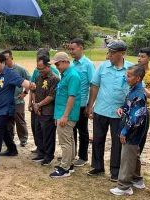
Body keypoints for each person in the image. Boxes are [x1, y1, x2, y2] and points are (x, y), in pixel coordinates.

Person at [86, 40, 134, 181]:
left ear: (122, 53)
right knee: (98, 139)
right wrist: (90, 106)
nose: (109, 56)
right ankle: (97, 166)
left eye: (112, 53)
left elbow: (136, 90)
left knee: (117, 142)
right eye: (109, 52)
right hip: (101, 110)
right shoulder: (103, 67)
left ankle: (115, 171)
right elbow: (94, 86)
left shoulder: (131, 68)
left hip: (119, 114)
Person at [109, 65, 147, 196]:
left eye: (129, 76)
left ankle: (124, 186)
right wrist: (122, 108)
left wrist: (124, 132)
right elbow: (129, 107)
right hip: (132, 130)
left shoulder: (139, 94)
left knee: (127, 157)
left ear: (137, 78)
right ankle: (137, 179)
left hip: (132, 131)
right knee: (133, 155)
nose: (126, 78)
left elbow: (136, 117)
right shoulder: (133, 90)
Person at [49, 52, 81, 178]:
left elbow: (71, 97)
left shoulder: (72, 75)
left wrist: (65, 116)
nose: (56, 66)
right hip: (63, 113)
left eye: (57, 64)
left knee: (65, 142)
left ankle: (65, 168)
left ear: (64, 61)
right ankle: (69, 164)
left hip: (66, 114)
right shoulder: (66, 74)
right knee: (70, 140)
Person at [68, 38, 95, 167]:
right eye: (70, 49)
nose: (71, 51)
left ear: (81, 48)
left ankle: (83, 157)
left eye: (73, 49)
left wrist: (90, 106)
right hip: (71, 104)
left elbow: (93, 85)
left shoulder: (88, 64)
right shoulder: (71, 65)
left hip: (82, 104)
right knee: (70, 130)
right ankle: (71, 154)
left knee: (82, 131)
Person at [29, 48, 60, 153]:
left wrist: (38, 105)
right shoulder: (38, 77)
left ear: (48, 66)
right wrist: (34, 104)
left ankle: (48, 155)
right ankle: (41, 152)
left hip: (48, 111)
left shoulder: (54, 78)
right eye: (38, 68)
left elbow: (52, 96)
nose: (39, 71)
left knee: (48, 134)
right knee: (38, 131)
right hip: (38, 109)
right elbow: (34, 90)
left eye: (41, 68)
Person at [2, 50, 30, 147]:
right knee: (8, 121)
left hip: (18, 100)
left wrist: (25, 92)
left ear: (11, 58)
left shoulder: (20, 69)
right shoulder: (3, 71)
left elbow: (29, 80)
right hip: (6, 101)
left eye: (6, 59)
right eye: (3, 59)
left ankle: (23, 139)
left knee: (19, 120)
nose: (5, 61)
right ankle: (9, 139)